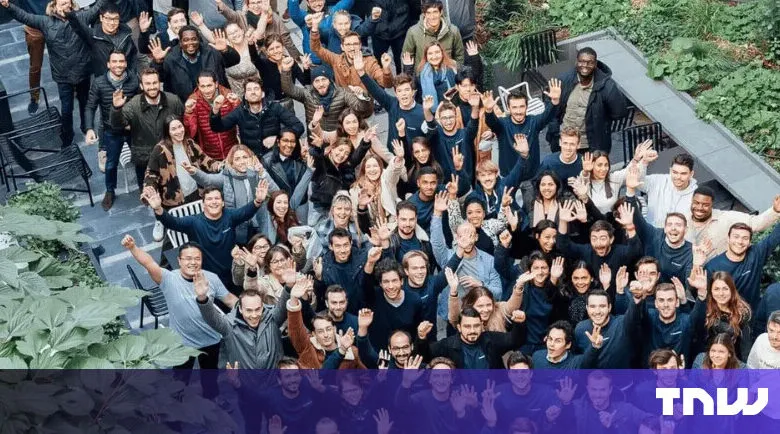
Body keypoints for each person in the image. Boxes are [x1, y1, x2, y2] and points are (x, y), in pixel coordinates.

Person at [122, 236, 237, 398]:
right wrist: (133, 247)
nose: (193, 262)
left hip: (211, 339)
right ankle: (176, 407)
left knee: (210, 377)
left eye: (197, 258)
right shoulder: (169, 278)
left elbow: (230, 299)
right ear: (179, 261)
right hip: (182, 342)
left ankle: (213, 402)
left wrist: (252, 310)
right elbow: (148, 263)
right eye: (188, 258)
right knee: (179, 381)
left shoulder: (211, 278)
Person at [1, 0, 107, 148]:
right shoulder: (45, 22)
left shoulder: (81, 17)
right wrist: (8, 6)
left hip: (82, 71)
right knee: (66, 108)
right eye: (62, 4)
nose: (66, 6)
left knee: (85, 103)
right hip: (63, 76)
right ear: (54, 6)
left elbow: (98, 7)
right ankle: (67, 135)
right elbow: (24, 17)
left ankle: (86, 127)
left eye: (68, 3)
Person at [142, 183, 268, 293]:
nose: (214, 202)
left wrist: (258, 200)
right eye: (209, 199)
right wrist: (158, 209)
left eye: (217, 198)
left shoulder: (229, 216)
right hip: (208, 278)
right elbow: (173, 222)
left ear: (223, 202)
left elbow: (245, 212)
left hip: (233, 274)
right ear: (203, 204)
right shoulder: (194, 222)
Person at [110, 67, 184, 221]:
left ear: (160, 83)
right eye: (148, 84)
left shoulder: (173, 100)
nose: (152, 87)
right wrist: (117, 109)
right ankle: (159, 219)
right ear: (142, 86)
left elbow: (182, 123)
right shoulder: (134, 105)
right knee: (152, 192)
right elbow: (118, 126)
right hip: (145, 158)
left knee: (175, 188)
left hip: (172, 154)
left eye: (155, 83)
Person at [188, 144, 279, 243]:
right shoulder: (227, 175)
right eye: (237, 159)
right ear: (232, 162)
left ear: (251, 158)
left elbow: (276, 193)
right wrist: (195, 172)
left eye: (245, 157)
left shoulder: (259, 172)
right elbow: (208, 180)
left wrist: (262, 173)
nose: (242, 162)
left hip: (261, 223)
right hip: (239, 226)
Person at [84, 50, 140, 211]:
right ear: (108, 64)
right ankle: (110, 191)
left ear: (126, 63)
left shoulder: (134, 80)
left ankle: (144, 187)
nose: (118, 65)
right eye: (114, 62)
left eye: (121, 61)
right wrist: (89, 129)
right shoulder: (99, 83)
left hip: (132, 129)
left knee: (140, 159)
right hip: (111, 131)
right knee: (110, 164)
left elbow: (140, 103)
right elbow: (90, 106)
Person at [546, 47, 628, 154]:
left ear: (595, 64)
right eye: (582, 62)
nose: (585, 66)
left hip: (591, 145)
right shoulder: (564, 80)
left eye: (590, 63)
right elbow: (550, 106)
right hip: (564, 141)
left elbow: (619, 112)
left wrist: (601, 119)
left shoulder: (607, 86)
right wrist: (554, 129)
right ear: (576, 62)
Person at [557, 201, 642, 296]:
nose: (598, 243)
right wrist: (563, 221)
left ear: (611, 239)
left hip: (617, 297)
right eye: (594, 239)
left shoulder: (619, 251)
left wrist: (630, 227)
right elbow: (563, 246)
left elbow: (635, 251)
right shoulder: (586, 250)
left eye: (603, 238)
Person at [210, 77, 305, 156]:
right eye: (249, 90)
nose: (253, 92)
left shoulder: (274, 107)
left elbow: (298, 127)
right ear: (245, 96)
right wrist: (215, 110)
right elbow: (218, 127)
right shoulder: (240, 111)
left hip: (275, 157)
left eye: (256, 89)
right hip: (253, 159)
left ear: (262, 94)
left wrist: (277, 139)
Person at [483, 82, 562, 177]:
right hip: (509, 177)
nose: (518, 111)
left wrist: (554, 101)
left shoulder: (533, 122)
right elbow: (492, 122)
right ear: (508, 108)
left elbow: (548, 116)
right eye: (514, 107)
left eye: (522, 107)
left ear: (526, 107)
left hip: (531, 177)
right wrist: (488, 111)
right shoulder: (503, 124)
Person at [145, 115, 222, 211]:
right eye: (173, 129)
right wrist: (149, 190)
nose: (178, 131)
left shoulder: (189, 142)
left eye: (180, 127)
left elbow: (203, 159)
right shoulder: (159, 149)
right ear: (167, 132)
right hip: (175, 200)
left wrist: (219, 166)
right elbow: (151, 173)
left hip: (196, 192)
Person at [148, 25, 241, 102]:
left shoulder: (211, 52)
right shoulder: (171, 58)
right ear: (180, 42)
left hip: (217, 103)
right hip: (186, 107)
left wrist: (225, 50)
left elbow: (234, 60)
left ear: (199, 40)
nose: (190, 43)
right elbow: (158, 78)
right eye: (186, 40)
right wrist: (158, 62)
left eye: (193, 39)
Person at [287, 278, 366, 369]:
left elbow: (366, 378)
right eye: (320, 331)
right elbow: (295, 330)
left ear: (334, 329)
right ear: (314, 334)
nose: (325, 335)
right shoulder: (308, 349)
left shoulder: (351, 352)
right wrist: (293, 299)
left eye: (328, 329)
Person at [416, 307, 527, 368]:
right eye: (467, 326)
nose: (472, 330)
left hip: (492, 394)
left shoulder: (491, 339)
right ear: (459, 327)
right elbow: (425, 356)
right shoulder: (448, 345)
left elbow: (515, 341)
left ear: (482, 326)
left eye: (476, 326)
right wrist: (421, 337)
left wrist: (520, 323)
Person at [394, 356, 482, 434]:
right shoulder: (421, 398)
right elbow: (401, 405)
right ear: (430, 379)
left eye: (445, 376)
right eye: (436, 376)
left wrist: (461, 412)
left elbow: (470, 429)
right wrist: (406, 382)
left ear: (452, 379)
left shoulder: (459, 397)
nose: (441, 380)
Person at [688, 188, 780, 262]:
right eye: (696, 203)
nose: (700, 208)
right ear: (692, 202)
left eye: (705, 205)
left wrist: (775, 211)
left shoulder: (726, 217)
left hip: (725, 276)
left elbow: (756, 223)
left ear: (712, 204)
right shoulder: (681, 222)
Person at [705, 221, 780, 311]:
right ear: (728, 239)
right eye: (736, 237)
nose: (740, 241)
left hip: (753, 314)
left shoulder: (756, 254)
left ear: (749, 242)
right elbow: (704, 297)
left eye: (745, 238)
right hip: (727, 317)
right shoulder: (713, 266)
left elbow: (775, 236)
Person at [310, 12, 393, 91]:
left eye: (355, 44)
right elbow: (316, 48)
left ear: (360, 45)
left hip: (363, 103)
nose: (352, 48)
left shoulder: (369, 62)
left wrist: (386, 69)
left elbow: (387, 84)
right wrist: (314, 27)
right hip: (343, 102)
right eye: (348, 44)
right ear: (342, 47)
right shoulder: (336, 59)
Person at [281, 61, 373, 129]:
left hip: (338, 139)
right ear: (312, 83)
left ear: (330, 80)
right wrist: (285, 70)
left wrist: (362, 96)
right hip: (316, 139)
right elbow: (289, 90)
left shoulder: (342, 93)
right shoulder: (307, 93)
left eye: (324, 79)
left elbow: (361, 108)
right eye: (317, 81)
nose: (321, 84)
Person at [362, 254, 425, 349]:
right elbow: (365, 282)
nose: (391, 286)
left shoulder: (414, 300)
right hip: (379, 355)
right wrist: (370, 262)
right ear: (380, 284)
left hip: (404, 355)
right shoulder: (374, 297)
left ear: (402, 281)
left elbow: (417, 332)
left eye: (394, 281)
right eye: (386, 282)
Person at [690, 270, 753, 362]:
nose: (721, 294)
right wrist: (702, 294)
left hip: (729, 360)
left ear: (731, 290)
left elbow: (745, 345)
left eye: (725, 289)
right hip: (705, 356)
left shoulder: (742, 312)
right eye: (716, 289)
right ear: (711, 291)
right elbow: (694, 326)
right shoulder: (704, 306)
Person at [573, 289, 642, 369]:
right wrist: (594, 347)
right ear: (587, 308)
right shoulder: (580, 329)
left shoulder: (622, 323)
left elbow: (634, 316)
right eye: (592, 306)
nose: (597, 311)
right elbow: (581, 365)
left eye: (602, 306)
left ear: (609, 307)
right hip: (594, 380)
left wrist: (637, 299)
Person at [217, 0, 302, 61]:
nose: (256, 6)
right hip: (253, 56)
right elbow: (231, 16)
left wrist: (297, 57)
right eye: (253, 3)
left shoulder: (274, 17)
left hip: (273, 55)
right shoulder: (242, 16)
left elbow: (285, 37)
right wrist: (221, 4)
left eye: (259, 2)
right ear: (248, 5)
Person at [68, 2, 137, 76]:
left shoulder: (126, 35)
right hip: (102, 83)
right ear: (101, 18)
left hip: (124, 81)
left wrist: (130, 77)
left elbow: (133, 58)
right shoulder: (93, 35)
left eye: (115, 19)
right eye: (108, 18)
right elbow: (78, 27)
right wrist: (69, 15)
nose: (112, 23)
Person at [183, 72, 241, 161]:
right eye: (203, 86)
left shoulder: (228, 96)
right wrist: (188, 112)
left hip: (232, 153)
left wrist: (236, 103)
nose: (206, 90)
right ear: (198, 86)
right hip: (209, 156)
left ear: (216, 84)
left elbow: (241, 120)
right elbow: (190, 132)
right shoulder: (193, 101)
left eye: (209, 85)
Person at [249, 34, 310, 112]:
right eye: (271, 49)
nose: (276, 51)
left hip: (288, 102)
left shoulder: (290, 62)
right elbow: (254, 58)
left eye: (278, 47)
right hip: (271, 104)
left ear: (283, 47)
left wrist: (306, 68)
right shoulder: (264, 64)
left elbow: (306, 82)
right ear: (267, 51)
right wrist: (251, 44)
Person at [261, 129, 312, 221]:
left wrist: (305, 161)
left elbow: (305, 181)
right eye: (285, 141)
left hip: (300, 205)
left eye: (292, 141)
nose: (289, 145)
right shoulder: (268, 161)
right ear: (278, 142)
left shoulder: (299, 159)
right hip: (278, 206)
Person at [640, 153, 698, 228]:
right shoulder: (657, 181)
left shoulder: (697, 196)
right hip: (651, 234)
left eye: (683, 174)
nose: (678, 177)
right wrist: (643, 163)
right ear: (670, 170)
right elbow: (636, 181)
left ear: (691, 174)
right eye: (675, 172)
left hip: (678, 238)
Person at [287, 0, 354, 65]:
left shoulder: (333, 11)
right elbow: (293, 8)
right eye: (313, 1)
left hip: (334, 59)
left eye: (319, 0)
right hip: (314, 62)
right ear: (307, 3)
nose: (317, 4)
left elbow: (348, 2)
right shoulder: (304, 17)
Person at [402, 1, 464, 69]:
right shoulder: (413, 32)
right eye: (428, 13)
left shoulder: (453, 31)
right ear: (424, 14)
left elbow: (459, 56)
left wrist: (456, 73)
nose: (432, 16)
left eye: (435, 12)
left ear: (441, 12)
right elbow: (406, 58)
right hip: (422, 76)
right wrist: (413, 77)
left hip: (447, 74)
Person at [532, 320, 602, 369]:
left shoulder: (575, 363)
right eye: (550, 339)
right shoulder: (537, 357)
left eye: (558, 341)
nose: (552, 344)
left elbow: (589, 359)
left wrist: (594, 346)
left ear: (568, 345)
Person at [371, 0, 410, 74]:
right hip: (379, 32)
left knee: (401, 61)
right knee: (378, 62)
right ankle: (380, 83)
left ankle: (401, 81)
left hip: (400, 31)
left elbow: (414, 8)